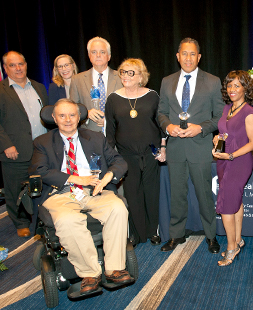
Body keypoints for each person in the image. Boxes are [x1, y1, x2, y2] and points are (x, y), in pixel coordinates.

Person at [30, 99, 133, 295]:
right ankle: (90, 274)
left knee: (118, 208)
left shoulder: (95, 137)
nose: (67, 120)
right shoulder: (42, 142)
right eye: (62, 115)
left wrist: (108, 176)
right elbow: (40, 171)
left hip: (94, 190)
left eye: (72, 115)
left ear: (79, 117)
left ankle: (114, 268)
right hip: (60, 192)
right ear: (54, 118)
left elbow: (118, 161)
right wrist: (76, 178)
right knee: (68, 219)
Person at [157, 38, 224, 253]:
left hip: (199, 145)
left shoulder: (213, 82)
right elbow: (161, 113)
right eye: (184, 54)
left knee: (205, 194)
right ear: (177, 56)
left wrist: (201, 128)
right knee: (177, 193)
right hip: (176, 146)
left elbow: (220, 116)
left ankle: (211, 236)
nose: (188, 58)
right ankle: (176, 235)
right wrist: (168, 127)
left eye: (192, 54)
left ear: (199, 57)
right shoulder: (167, 81)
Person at [105, 58, 164, 246]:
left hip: (151, 153)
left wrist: (163, 148)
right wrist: (110, 158)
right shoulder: (113, 99)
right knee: (132, 194)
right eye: (123, 72)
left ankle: (153, 230)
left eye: (131, 72)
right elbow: (110, 131)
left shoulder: (153, 96)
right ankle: (137, 234)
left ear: (141, 76)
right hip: (125, 156)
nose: (126, 76)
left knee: (151, 193)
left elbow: (161, 124)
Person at [212, 70, 253, 266]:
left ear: (245, 89)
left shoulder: (249, 112)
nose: (232, 89)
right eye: (230, 85)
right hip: (224, 160)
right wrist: (218, 138)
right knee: (236, 202)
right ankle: (238, 239)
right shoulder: (227, 109)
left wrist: (231, 155)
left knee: (226, 206)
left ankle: (231, 248)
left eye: (237, 85)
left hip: (238, 162)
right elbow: (226, 133)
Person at [0, 51, 48, 237]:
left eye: (21, 64)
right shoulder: (2, 90)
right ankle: (20, 222)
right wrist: (6, 145)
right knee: (15, 189)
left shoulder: (38, 87)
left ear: (26, 64)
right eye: (12, 65)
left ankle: (40, 219)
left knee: (40, 187)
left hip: (40, 149)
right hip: (14, 150)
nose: (18, 68)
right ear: (5, 68)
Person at [70, 37, 122, 133]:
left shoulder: (122, 77)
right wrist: (86, 113)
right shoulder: (77, 80)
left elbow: (128, 107)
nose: (98, 55)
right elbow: (72, 108)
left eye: (102, 52)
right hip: (89, 135)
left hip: (117, 135)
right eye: (94, 52)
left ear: (109, 56)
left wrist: (109, 121)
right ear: (89, 56)